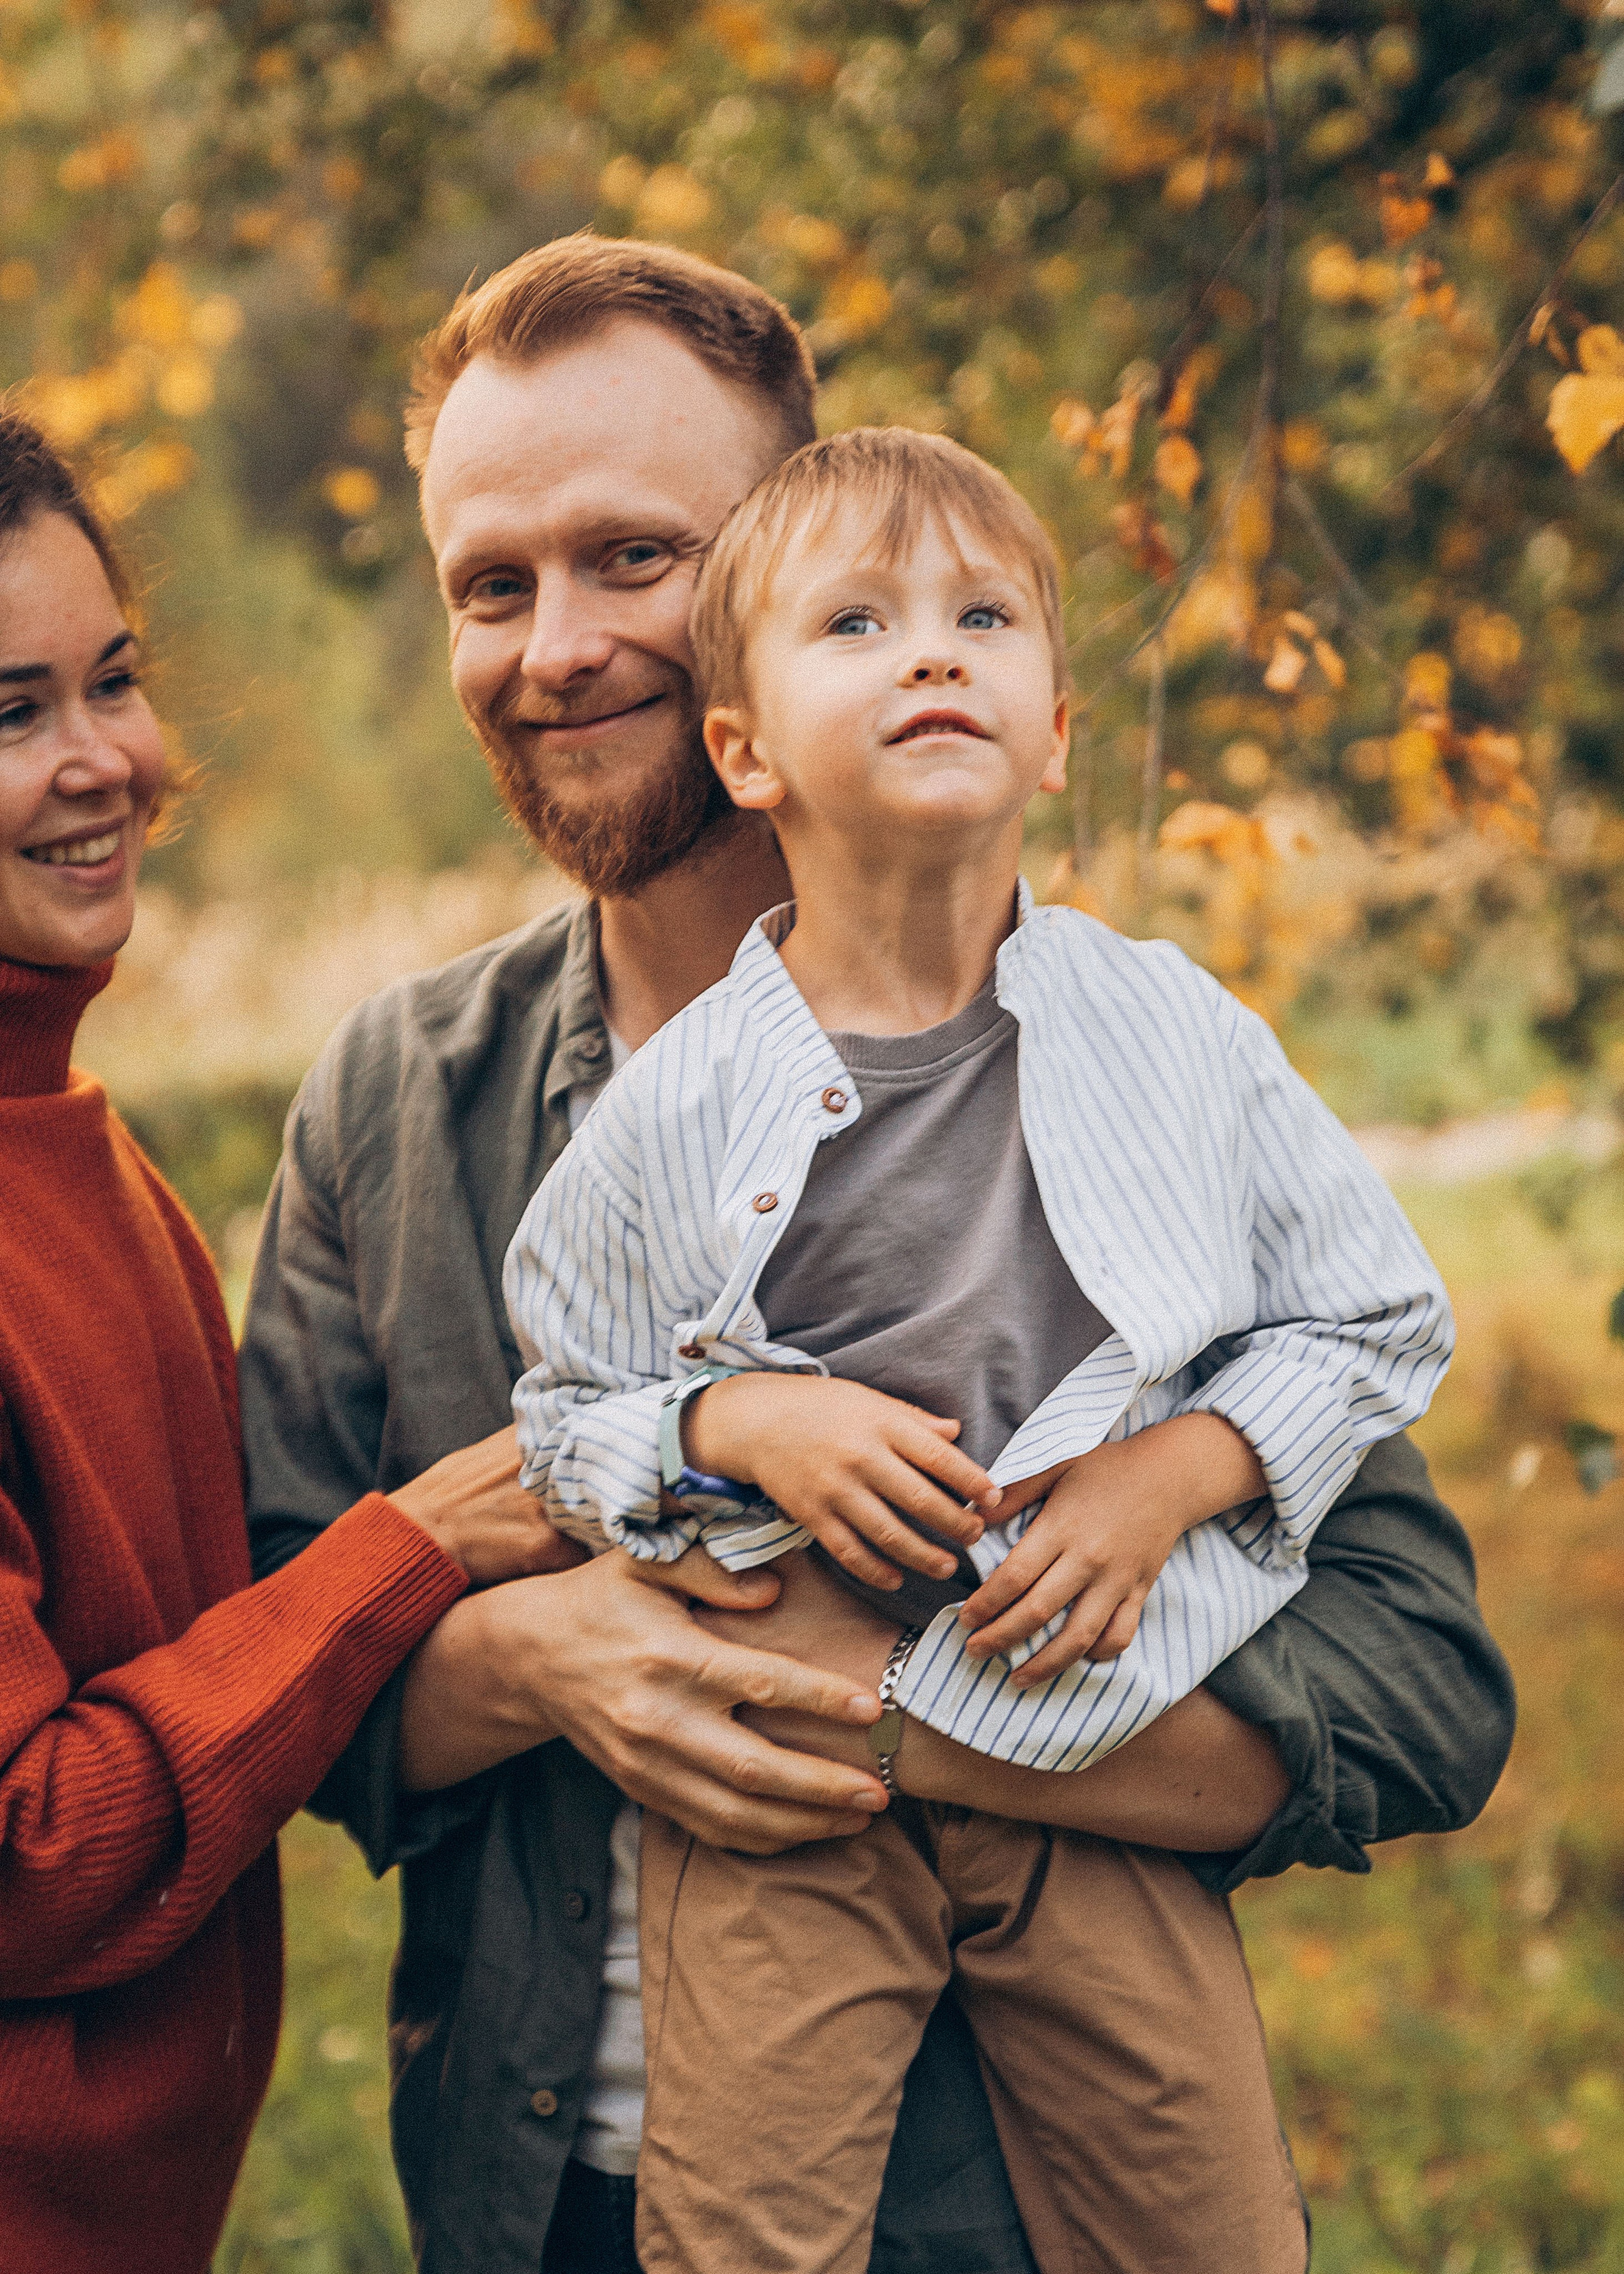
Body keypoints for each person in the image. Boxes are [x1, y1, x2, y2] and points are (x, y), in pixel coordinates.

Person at [241, 236, 1514, 2274]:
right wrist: (548, 1662)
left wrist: (902, 1719)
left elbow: (1420, 1684)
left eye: (632, 557)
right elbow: (274, 1683)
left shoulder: (1125, 1076)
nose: (555, 644)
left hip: (999, 2194)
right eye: (493, 583)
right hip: (536, 2193)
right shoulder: (396, 1103)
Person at [504, 425, 1454, 2273]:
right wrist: (739, 1419)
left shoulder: (1174, 1036)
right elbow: (565, 1411)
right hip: (785, 1799)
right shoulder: (674, 1106)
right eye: (858, 621)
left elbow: (1375, 1312)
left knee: (1214, 2232)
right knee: (743, 2240)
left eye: (984, 617)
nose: (934, 652)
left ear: (1057, 729)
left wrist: (1176, 1474)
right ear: (745, 749)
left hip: (1095, 1731)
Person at [0, 409, 568, 2274]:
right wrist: (406, 1556)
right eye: (10, 714)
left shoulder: (85, 1147)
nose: (108, 765)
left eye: (115, 678)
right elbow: (35, 1849)